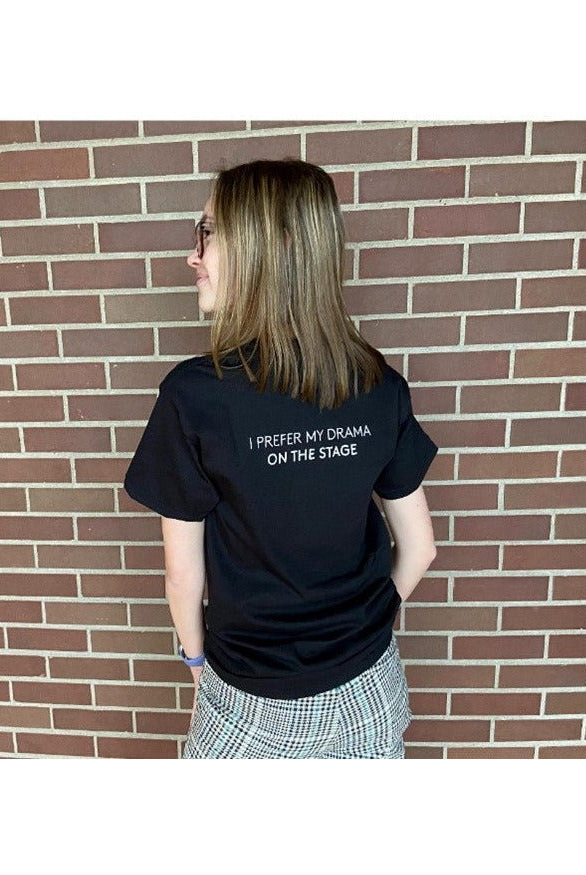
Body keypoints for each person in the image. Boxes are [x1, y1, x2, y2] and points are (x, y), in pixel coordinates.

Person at [123, 158, 438, 758]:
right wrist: (365, 624)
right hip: (371, 692)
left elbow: (182, 577)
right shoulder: (379, 384)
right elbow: (420, 548)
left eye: (207, 233)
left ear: (263, 248)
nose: (194, 256)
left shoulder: (194, 397)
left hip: (248, 701)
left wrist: (195, 662)